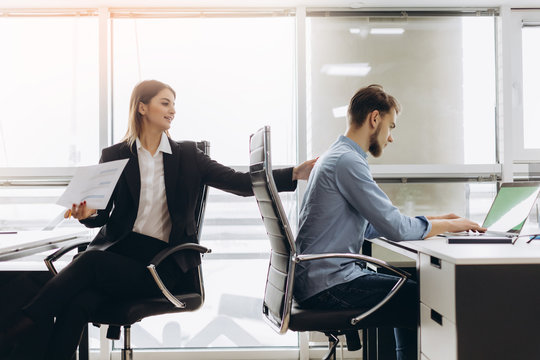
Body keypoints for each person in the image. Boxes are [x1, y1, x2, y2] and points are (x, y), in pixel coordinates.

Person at [0, 79, 316, 360]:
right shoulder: (115, 155)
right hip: (122, 258)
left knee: (87, 264)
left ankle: (18, 327)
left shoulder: (189, 156)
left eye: (174, 105)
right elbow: (102, 217)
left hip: (162, 267)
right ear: (142, 107)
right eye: (165, 103)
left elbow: (240, 181)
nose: (172, 111)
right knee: (77, 304)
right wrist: (88, 214)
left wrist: (294, 173)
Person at [293, 84, 485, 360]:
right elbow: (396, 229)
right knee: (423, 298)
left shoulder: (335, 157)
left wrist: (439, 219)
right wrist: (453, 226)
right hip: (329, 286)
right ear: (375, 119)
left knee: (407, 285)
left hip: (317, 281)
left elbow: (370, 226)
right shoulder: (347, 162)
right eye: (391, 126)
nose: (391, 137)